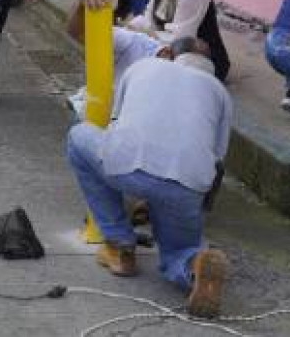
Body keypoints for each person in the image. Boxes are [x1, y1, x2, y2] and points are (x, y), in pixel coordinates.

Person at [66, 37, 232, 319]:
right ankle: (194, 267)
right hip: (186, 185)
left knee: (78, 138)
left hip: (126, 168)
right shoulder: (220, 93)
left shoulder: (142, 67)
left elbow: (116, 128)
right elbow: (216, 164)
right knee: (179, 249)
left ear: (168, 53)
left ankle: (119, 247)